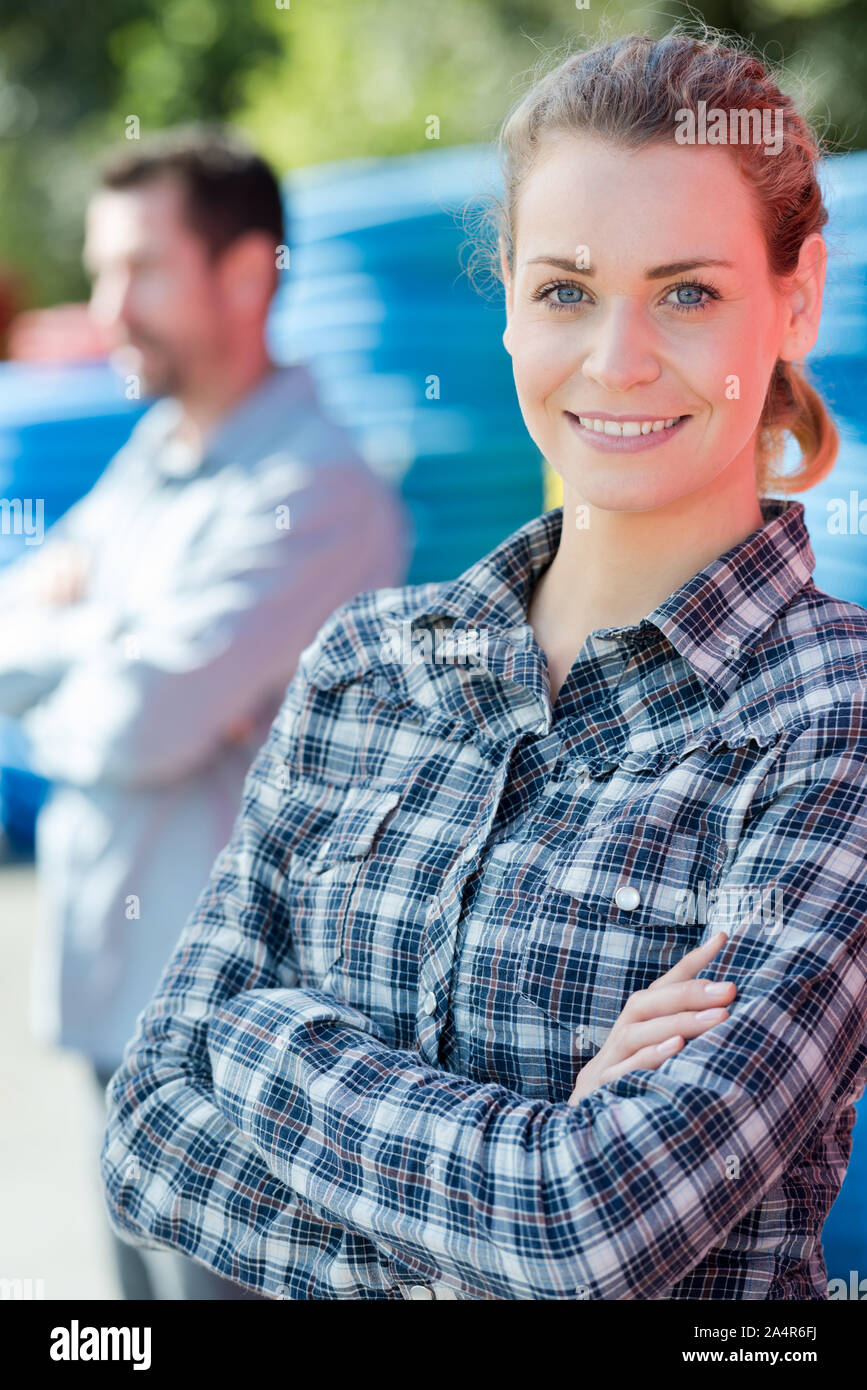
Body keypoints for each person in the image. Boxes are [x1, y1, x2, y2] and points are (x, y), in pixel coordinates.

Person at [101, 28, 866, 1300]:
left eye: (688, 291)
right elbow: (146, 1138)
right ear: (507, 295)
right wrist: (509, 1196)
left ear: (796, 299)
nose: (617, 357)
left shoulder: (832, 715)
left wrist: (261, 1040)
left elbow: (589, 1235)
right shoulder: (364, 668)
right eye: (567, 289)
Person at [0, 126, 409, 1300]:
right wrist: (118, 649)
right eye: (101, 268)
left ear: (248, 274)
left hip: (231, 1055)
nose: (107, 305)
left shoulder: (317, 492)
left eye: (142, 268)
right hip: (112, 1011)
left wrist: (93, 662)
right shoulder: (157, 457)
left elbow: (138, 725)